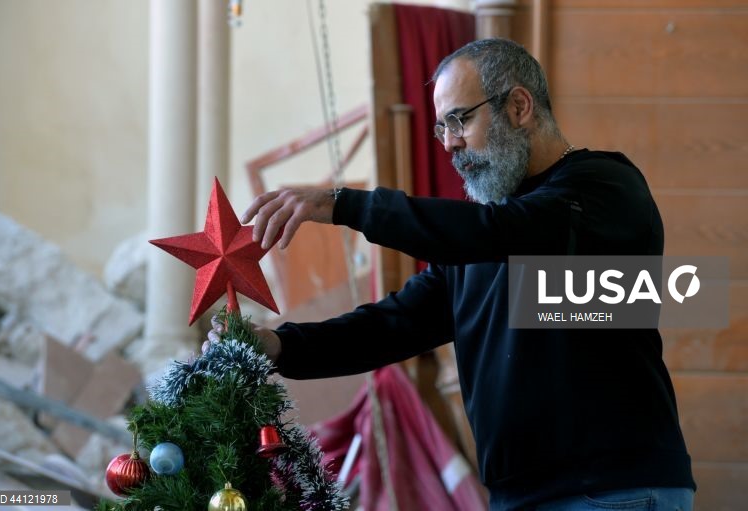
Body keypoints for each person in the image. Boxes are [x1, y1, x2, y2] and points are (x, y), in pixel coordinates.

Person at [241, 38, 695, 511]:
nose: (451, 144)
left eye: (460, 120)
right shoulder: (483, 236)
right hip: (517, 495)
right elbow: (394, 324)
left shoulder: (604, 187)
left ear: (519, 106)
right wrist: (280, 345)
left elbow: (505, 232)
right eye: (441, 129)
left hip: (612, 490)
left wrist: (342, 204)